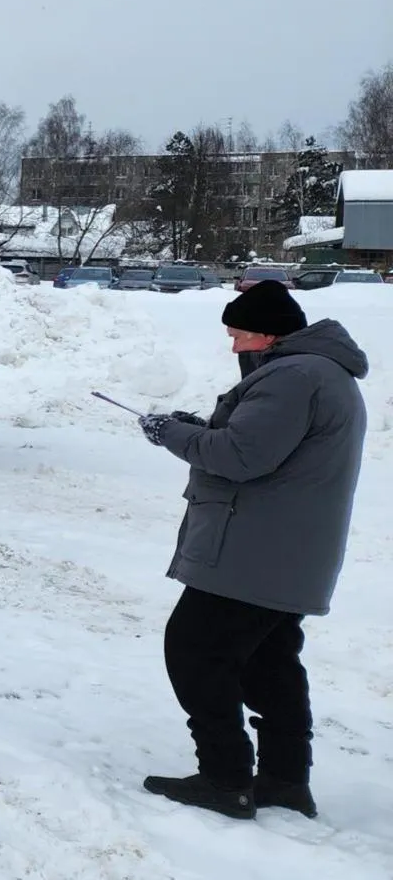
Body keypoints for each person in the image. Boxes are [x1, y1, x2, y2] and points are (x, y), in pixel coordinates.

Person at [134, 279, 368, 820]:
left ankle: (224, 778)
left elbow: (241, 457)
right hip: (287, 552)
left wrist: (172, 433)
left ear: (267, 334)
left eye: (238, 334)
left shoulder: (293, 377)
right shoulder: (320, 373)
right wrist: (200, 428)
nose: (233, 346)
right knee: (268, 663)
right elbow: (260, 442)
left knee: (194, 651)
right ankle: (286, 779)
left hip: (253, 552)